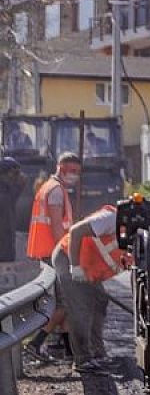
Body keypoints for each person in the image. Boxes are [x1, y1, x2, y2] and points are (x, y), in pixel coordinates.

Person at [53, 203, 150, 372]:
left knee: (100, 302)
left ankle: (97, 354)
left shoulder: (136, 237)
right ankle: (83, 360)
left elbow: (136, 273)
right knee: (81, 308)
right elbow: (76, 231)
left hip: (89, 269)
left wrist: (141, 306)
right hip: (69, 259)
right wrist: (75, 267)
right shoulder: (112, 218)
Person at [24, 152, 81, 360]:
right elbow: (58, 228)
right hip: (55, 253)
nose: (74, 175)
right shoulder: (56, 191)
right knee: (63, 304)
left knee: (62, 304)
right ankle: (35, 343)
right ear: (61, 168)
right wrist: (70, 254)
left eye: (77, 172)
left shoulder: (47, 187)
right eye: (71, 171)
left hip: (48, 252)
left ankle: (68, 351)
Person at [0, 157, 26, 262]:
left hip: (7, 246)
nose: (16, 177)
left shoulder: (7, 189)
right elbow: (8, 200)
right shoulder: (3, 194)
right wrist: (20, 186)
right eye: (14, 173)